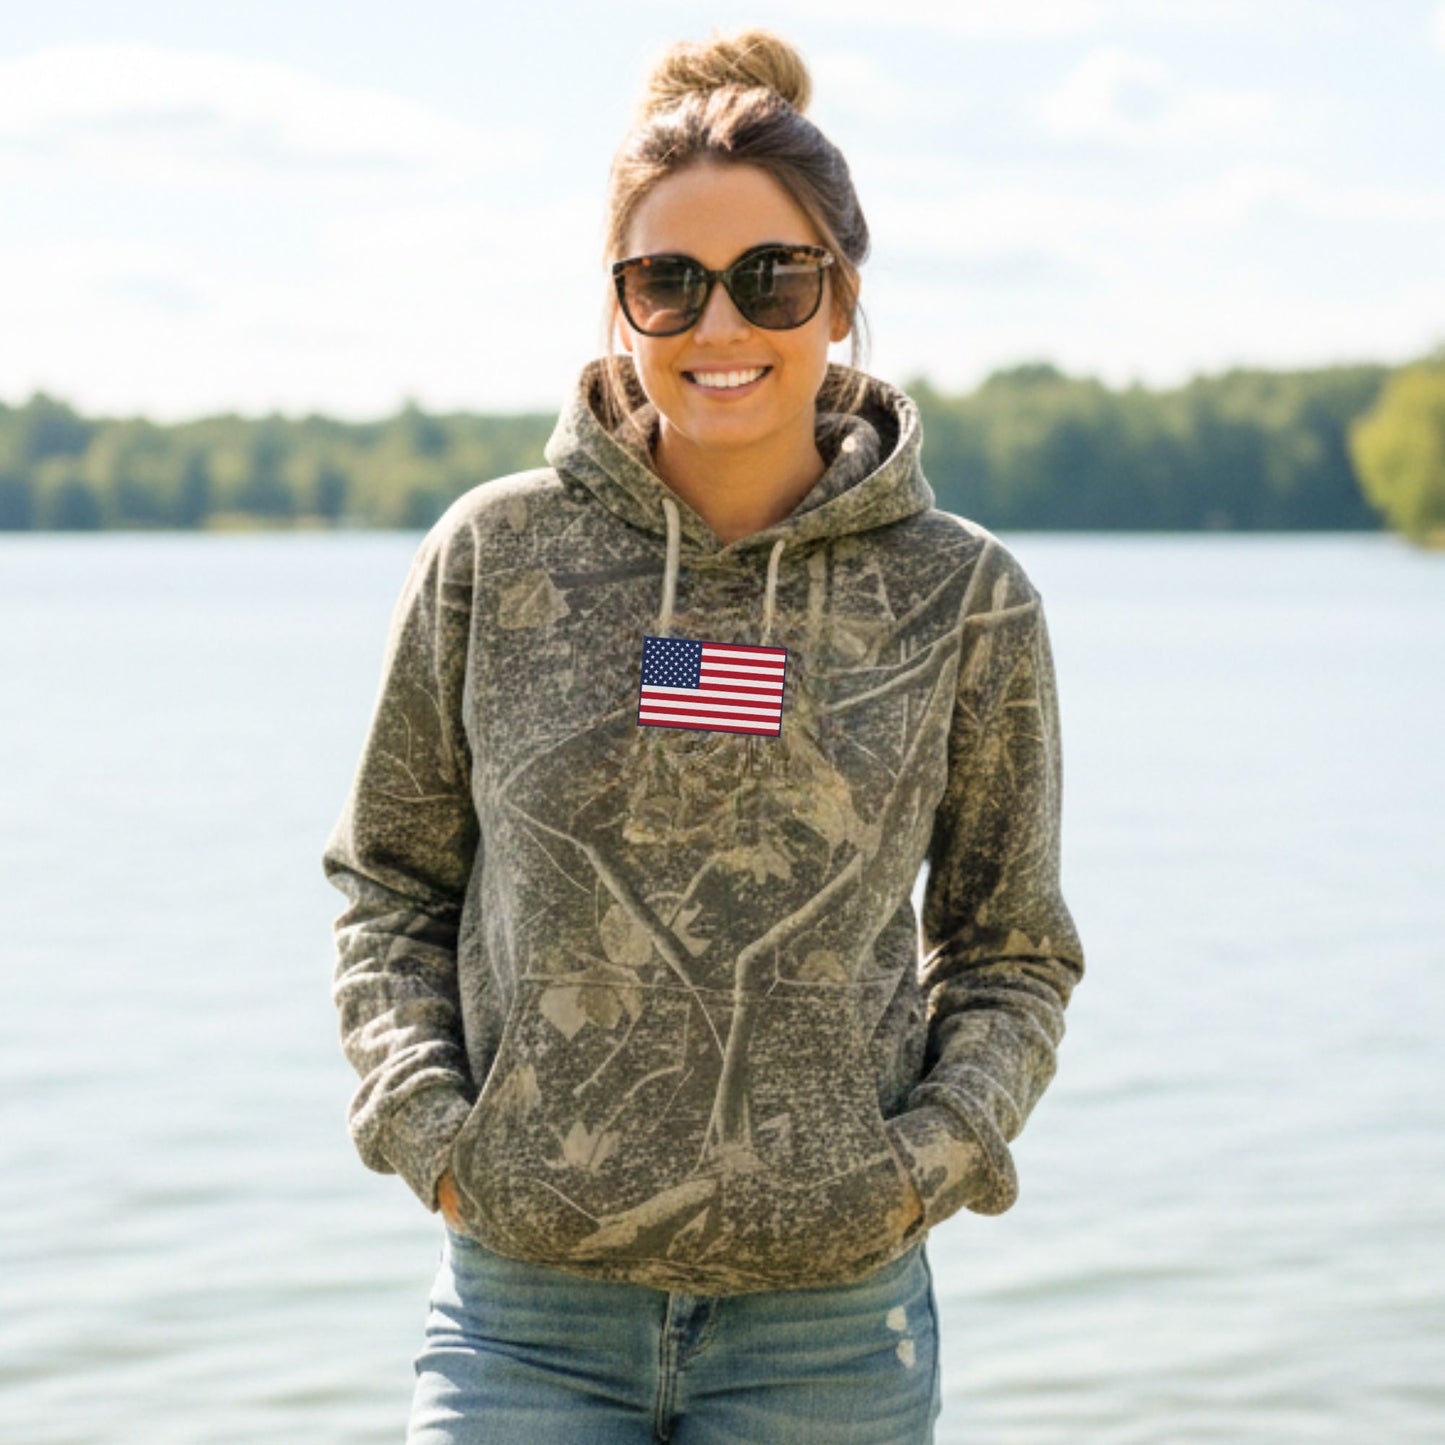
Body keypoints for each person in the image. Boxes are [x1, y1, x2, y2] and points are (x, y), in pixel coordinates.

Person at [322, 26, 1086, 1445]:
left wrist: (922, 1163)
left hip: (828, 1331)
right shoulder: (497, 557)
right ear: (619, 308)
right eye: (667, 282)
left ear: (841, 296)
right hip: (523, 1315)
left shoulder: (965, 597)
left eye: (770, 278)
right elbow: (389, 884)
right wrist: (433, 1135)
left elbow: (1010, 948)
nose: (720, 326)